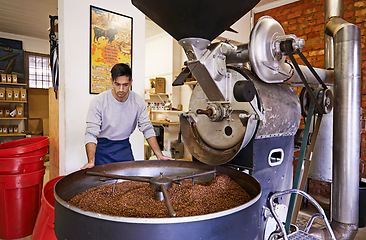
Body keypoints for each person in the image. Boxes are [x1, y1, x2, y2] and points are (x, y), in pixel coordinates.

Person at [81, 63, 173, 169]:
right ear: (112, 81)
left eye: (125, 85)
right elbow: (91, 134)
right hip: (103, 150)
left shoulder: (138, 102)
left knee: (128, 183)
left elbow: (147, 129)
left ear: (131, 82)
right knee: (103, 184)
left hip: (124, 149)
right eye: (117, 84)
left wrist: (159, 155)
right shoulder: (99, 101)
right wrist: (91, 161)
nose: (121, 89)